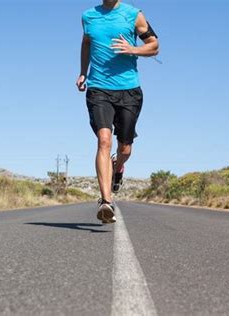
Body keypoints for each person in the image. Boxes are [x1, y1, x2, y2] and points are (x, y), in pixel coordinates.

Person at [76, 0, 159, 223]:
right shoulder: (88, 17)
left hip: (129, 90)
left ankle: (118, 167)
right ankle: (106, 201)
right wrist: (83, 72)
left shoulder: (134, 15)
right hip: (98, 88)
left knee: (126, 148)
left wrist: (133, 49)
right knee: (104, 140)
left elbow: (154, 45)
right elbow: (86, 43)